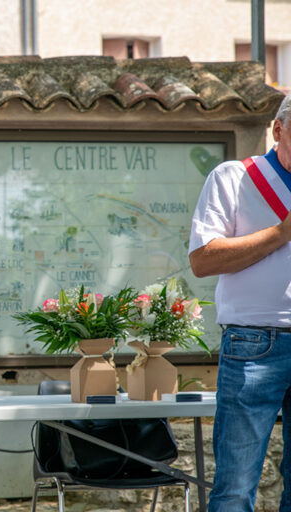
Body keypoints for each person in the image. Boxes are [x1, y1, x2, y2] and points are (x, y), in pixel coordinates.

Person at [189, 94, 291, 511]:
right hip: (254, 345)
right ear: (279, 129)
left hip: (258, 346)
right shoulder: (233, 177)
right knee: (235, 486)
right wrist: (281, 233)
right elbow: (202, 260)